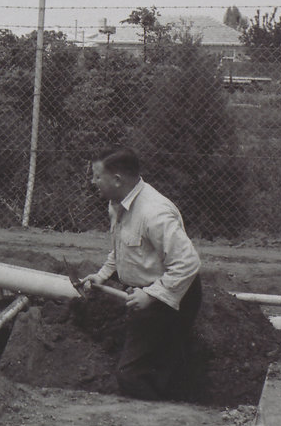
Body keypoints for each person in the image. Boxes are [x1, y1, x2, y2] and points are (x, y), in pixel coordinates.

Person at [82, 146, 202, 400]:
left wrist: (152, 295)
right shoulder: (117, 206)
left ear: (117, 179)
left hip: (172, 296)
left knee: (132, 374)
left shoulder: (154, 213)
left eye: (96, 176)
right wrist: (103, 275)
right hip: (145, 296)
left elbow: (188, 263)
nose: (93, 182)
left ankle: (159, 424)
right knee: (157, 365)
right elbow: (122, 249)